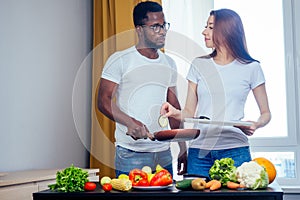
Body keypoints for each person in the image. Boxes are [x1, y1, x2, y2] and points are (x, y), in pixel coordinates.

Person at [160, 8, 271, 177]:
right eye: (206, 26)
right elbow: (190, 112)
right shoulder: (199, 65)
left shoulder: (252, 68)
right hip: (200, 153)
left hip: (235, 151)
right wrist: (175, 113)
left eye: (210, 27)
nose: (204, 32)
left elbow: (266, 113)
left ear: (226, 30)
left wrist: (255, 124)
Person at [97, 1, 187, 177]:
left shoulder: (169, 63)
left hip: (163, 152)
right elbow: (103, 101)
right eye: (155, 26)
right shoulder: (120, 60)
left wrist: (183, 147)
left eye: (164, 25)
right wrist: (130, 122)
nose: (162, 31)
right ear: (139, 29)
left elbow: (173, 106)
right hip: (131, 153)